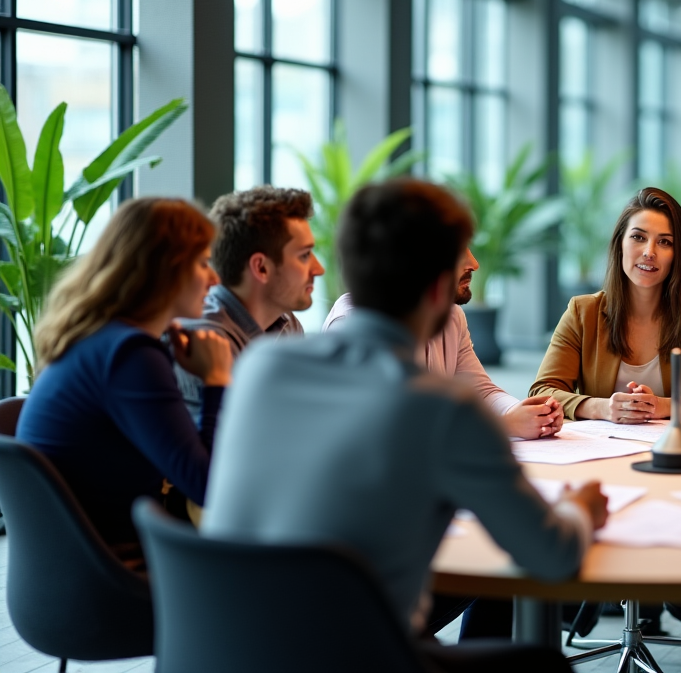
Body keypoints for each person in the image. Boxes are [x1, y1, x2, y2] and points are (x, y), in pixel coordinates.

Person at [203, 179, 606, 672]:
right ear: (439, 288)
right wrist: (580, 508)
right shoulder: (444, 409)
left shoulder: (260, 368)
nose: (474, 265)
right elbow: (553, 557)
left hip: (225, 647)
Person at [17, 198, 233, 563]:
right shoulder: (131, 355)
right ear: (164, 269)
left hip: (66, 570)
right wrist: (216, 380)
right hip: (114, 576)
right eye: (202, 263)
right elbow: (207, 486)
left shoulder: (96, 337)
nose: (214, 278)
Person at [530, 187, 681, 422]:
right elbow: (542, 393)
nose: (649, 252)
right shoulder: (582, 313)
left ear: (677, 255)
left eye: (664, 242)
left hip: (673, 451)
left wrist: (664, 406)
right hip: (601, 452)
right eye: (638, 237)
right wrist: (601, 408)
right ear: (619, 243)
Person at [324, 246, 563, 440]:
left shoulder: (451, 315)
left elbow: (480, 390)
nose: (474, 263)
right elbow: (384, 429)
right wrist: (502, 426)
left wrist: (526, 412)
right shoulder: (355, 325)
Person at [176, 186, 321, 425]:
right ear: (261, 268)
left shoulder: (288, 324)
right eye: (304, 255)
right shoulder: (203, 342)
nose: (318, 269)